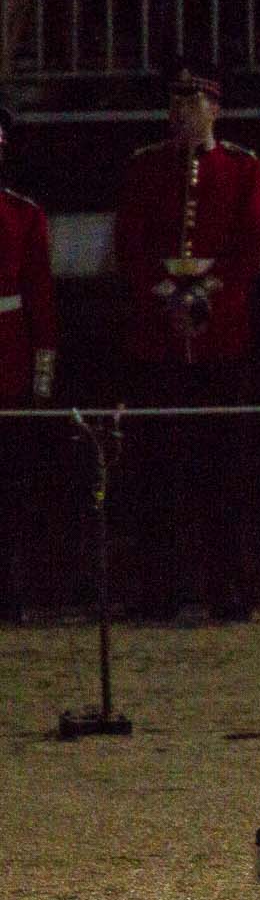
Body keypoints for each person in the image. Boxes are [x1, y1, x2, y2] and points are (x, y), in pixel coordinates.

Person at [113, 59, 260, 620]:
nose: (183, 113)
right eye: (177, 103)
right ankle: (158, 590)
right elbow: (130, 245)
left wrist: (205, 297)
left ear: (215, 108)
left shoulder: (242, 168)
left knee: (224, 476)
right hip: (157, 341)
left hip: (219, 340)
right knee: (156, 474)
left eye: (194, 102)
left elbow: (248, 247)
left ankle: (227, 590)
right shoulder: (145, 167)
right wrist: (169, 296)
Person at [0, 105, 54, 623]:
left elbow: (39, 295)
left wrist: (42, 370)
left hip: (8, 361)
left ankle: (14, 594)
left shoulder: (22, 213)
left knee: (11, 488)